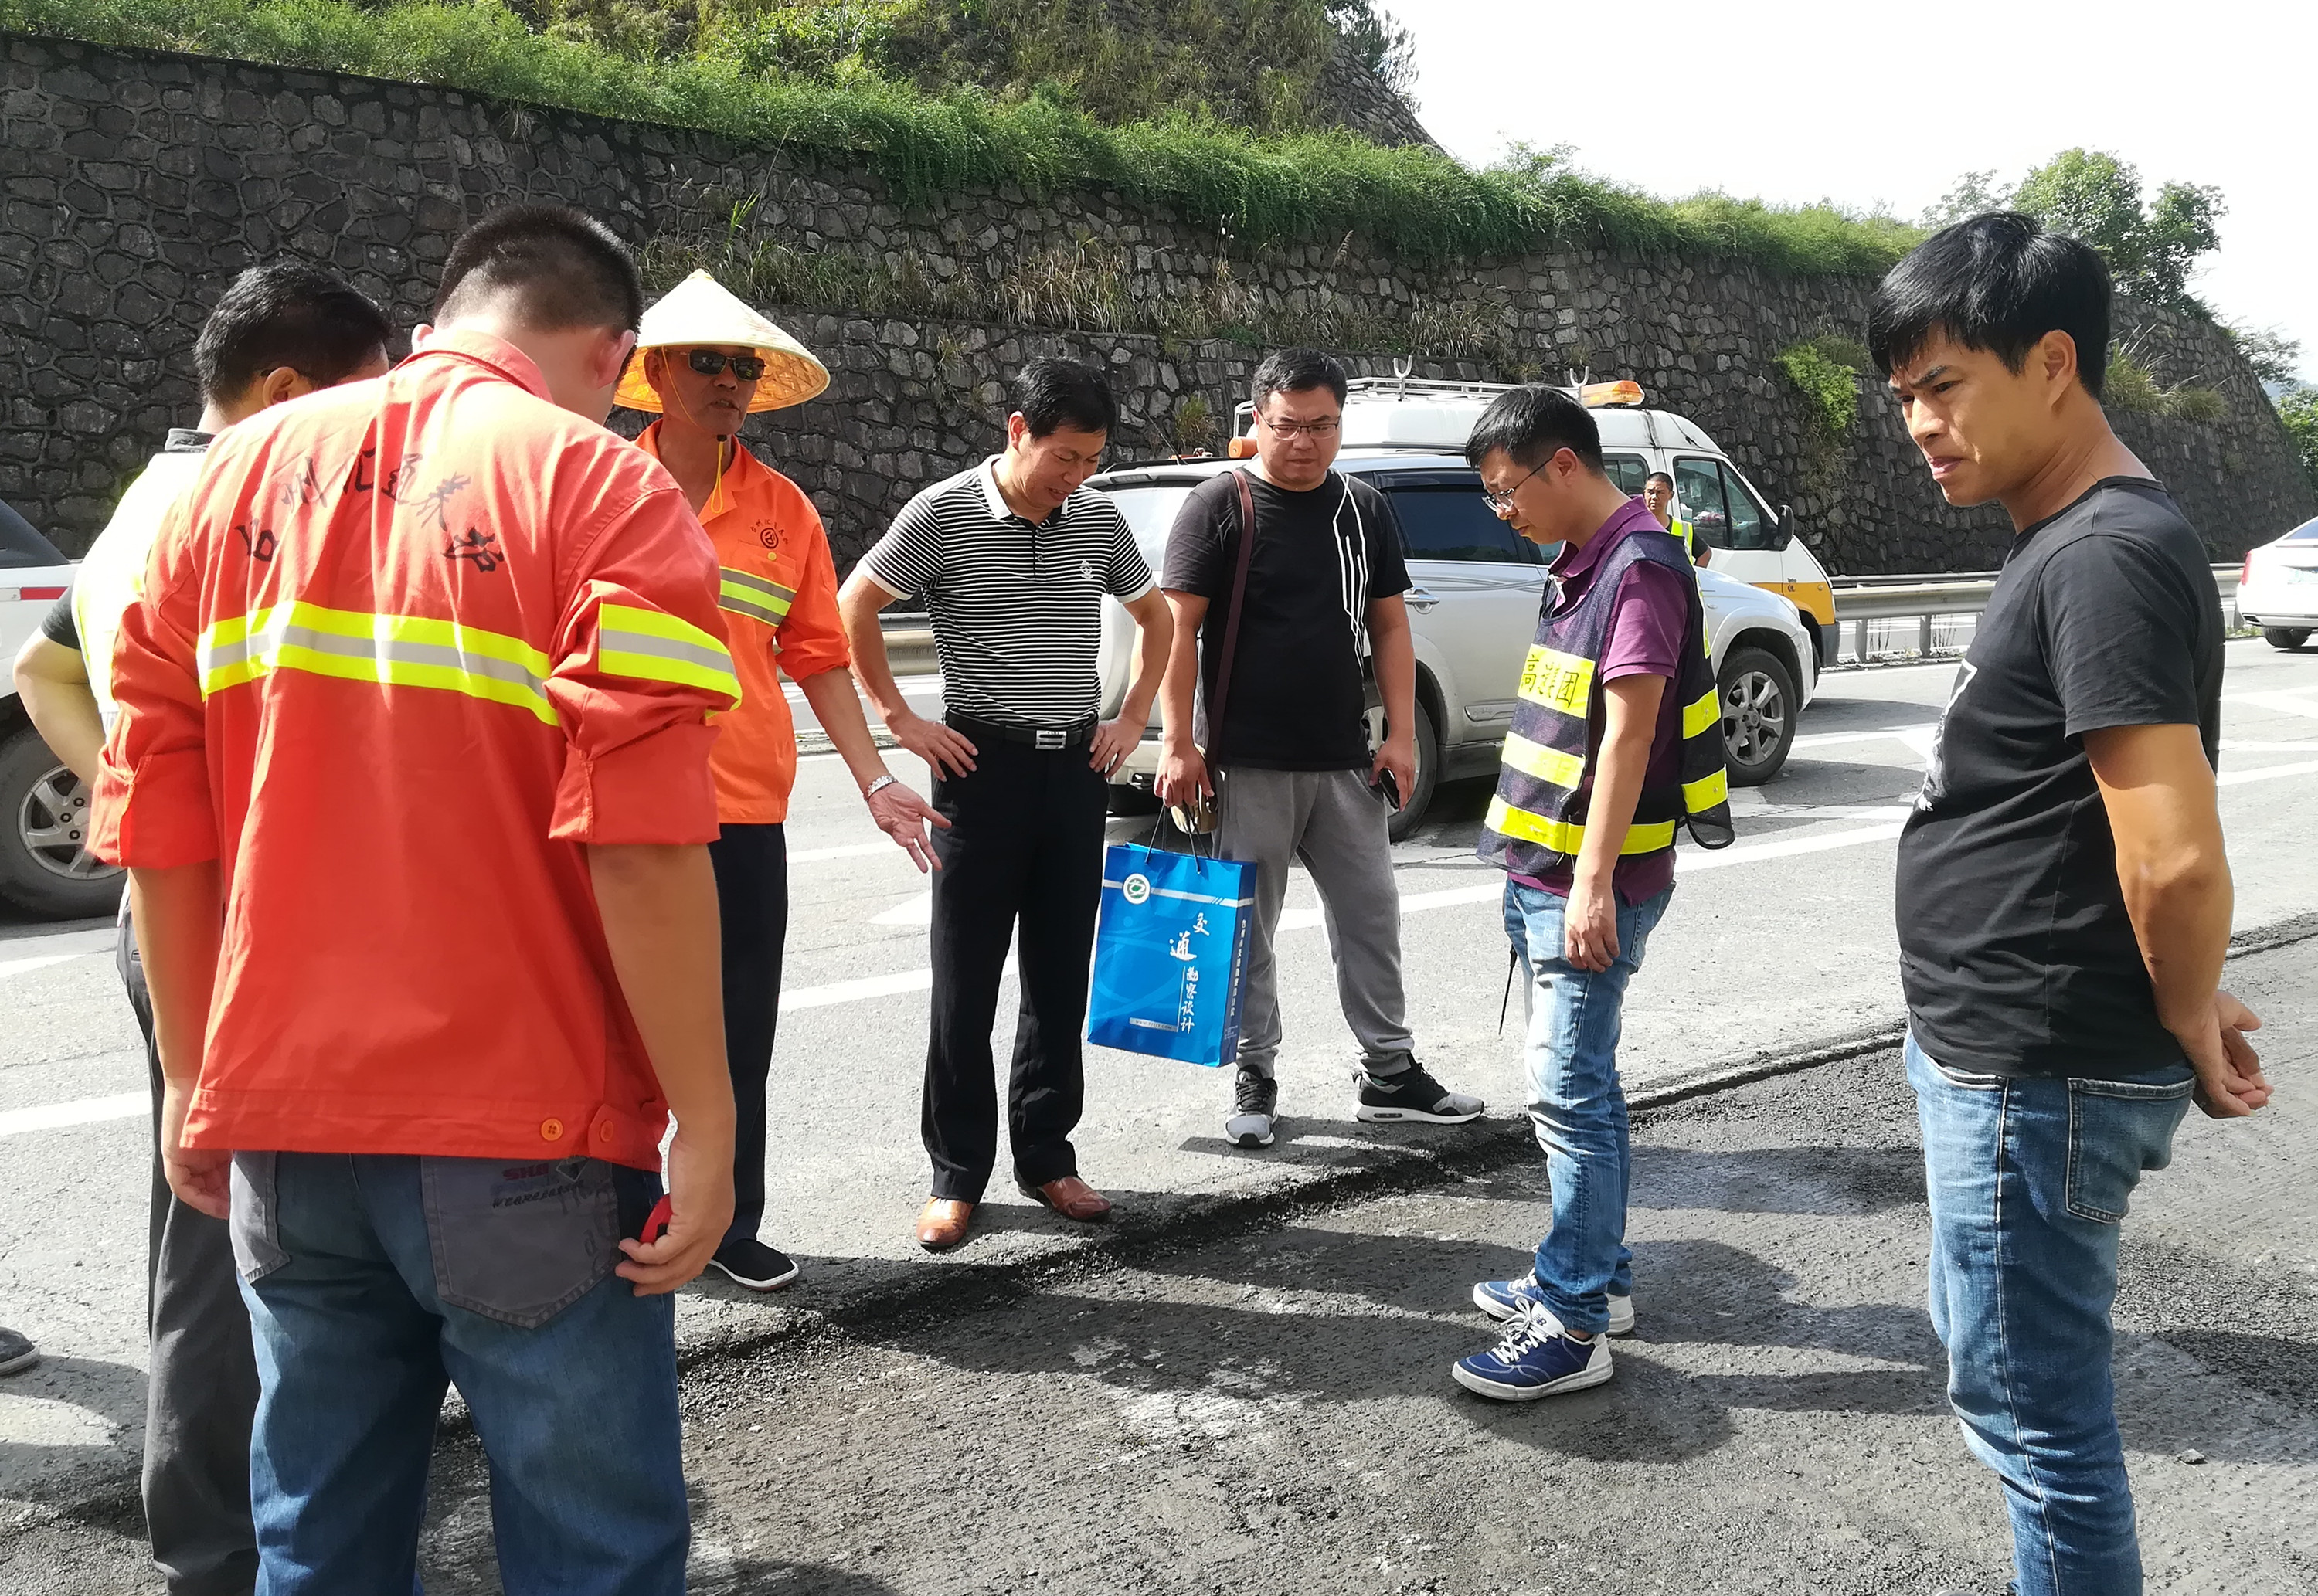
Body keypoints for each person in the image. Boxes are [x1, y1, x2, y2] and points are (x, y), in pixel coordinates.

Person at [90, 204, 742, 1596]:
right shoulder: (602, 485)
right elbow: (640, 843)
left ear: (443, 315)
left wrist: (193, 1079)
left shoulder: (220, 480)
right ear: (613, 354)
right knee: (592, 1551)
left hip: (286, 1132)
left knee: (317, 1535)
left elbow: (159, 817)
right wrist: (710, 1116)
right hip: (530, 1128)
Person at [1871, 212, 2268, 1596]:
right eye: (1903, 395)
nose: (1919, 424)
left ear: (2053, 362)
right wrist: (2185, 988)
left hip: (2034, 1070)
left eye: (1943, 385)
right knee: (2009, 1385)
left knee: (2037, 1423)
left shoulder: (2101, 552)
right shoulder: (2070, 536)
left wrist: (2187, 1015)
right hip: (2012, 1050)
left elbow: (2174, 856)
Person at [12, 260, 392, 1596]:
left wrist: (138, 798)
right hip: (232, 909)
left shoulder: (153, 493)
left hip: (180, 893)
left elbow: (43, 669)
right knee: (236, 1233)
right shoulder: (249, 504)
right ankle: (222, 1545)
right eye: (364, 396)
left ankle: (239, 1521)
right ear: (288, 391)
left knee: (218, 1217)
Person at [617, 270, 945, 1293]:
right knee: (613, 1026)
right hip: (616, 808)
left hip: (743, 809)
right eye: (708, 361)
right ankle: (620, 1215)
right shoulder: (596, 487)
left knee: (737, 1029)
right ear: (656, 370)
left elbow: (817, 657)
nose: (729, 380)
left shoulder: (783, 509)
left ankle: (728, 1220)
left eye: (744, 366)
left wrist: (876, 779)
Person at [838, 358, 1172, 1252]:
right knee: (965, 978)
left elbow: (1159, 617)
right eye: (1066, 456)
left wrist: (1131, 716)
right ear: (1018, 430)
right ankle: (955, 1174)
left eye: (1093, 459)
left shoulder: (1097, 519)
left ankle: (1048, 1155)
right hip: (980, 769)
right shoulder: (943, 513)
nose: (1078, 476)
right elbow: (853, 606)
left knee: (1060, 974)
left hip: (1075, 769)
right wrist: (899, 717)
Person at [1447, 385, 1732, 1401]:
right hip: (1546, 868)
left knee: (1566, 1091)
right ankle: (1594, 1276)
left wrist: (1595, 886)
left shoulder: (1638, 565)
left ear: (1562, 462)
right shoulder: (1584, 560)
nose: (1504, 511)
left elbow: (1629, 735)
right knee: (1583, 1086)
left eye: (1507, 491)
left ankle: (1571, 1324)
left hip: (1583, 881)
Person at [1154, 348, 1484, 1151]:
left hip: (1345, 758)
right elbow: (1176, 631)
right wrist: (1179, 742)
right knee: (1246, 929)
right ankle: (1255, 1073)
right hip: (1245, 763)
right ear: (1258, 420)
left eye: (1322, 425)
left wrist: (1401, 733)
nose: (1304, 441)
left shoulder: (1363, 508)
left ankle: (1389, 1073)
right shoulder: (1218, 505)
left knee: (1371, 915)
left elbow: (1391, 626)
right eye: (1287, 425)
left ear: (1342, 423)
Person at [1640, 470, 1708, 565]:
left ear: (1671, 495)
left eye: (1660, 492)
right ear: (1644, 494)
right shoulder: (1635, 526)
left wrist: (1694, 573)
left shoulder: (1684, 528)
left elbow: (1705, 554)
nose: (1654, 497)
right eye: (1650, 492)